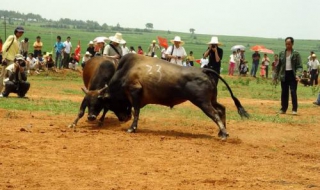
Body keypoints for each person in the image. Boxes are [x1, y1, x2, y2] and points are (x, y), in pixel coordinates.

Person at [274, 37, 302, 115]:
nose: (287, 45)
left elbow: (299, 66)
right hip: (284, 75)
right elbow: (278, 65)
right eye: (286, 44)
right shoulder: (282, 53)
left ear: (292, 44)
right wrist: (275, 76)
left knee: (293, 92)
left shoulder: (296, 54)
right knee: (284, 92)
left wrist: (298, 75)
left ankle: (294, 109)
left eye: (289, 44)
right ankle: (283, 109)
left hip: (292, 75)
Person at [0, 26, 24, 93]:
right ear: (16, 32)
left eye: (22, 32)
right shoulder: (12, 37)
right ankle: (3, 91)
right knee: (5, 75)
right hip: (7, 59)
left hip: (12, 60)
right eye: (19, 32)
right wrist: (3, 57)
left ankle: (3, 91)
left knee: (6, 76)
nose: (21, 33)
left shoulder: (17, 41)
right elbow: (5, 47)